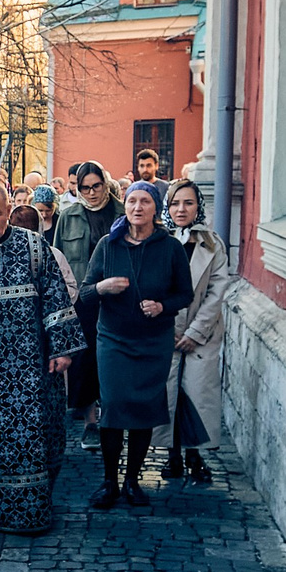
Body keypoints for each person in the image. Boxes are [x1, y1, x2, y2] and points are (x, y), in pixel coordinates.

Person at [0, 184, 83, 533]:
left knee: (36, 439)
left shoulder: (34, 247)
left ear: (9, 209)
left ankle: (32, 514)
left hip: (34, 367)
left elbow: (56, 297)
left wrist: (61, 348)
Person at [82, 178, 194, 511]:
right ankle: (109, 482)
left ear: (156, 208)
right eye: (132, 202)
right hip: (114, 339)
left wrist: (163, 306)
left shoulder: (170, 247)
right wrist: (102, 287)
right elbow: (85, 293)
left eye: (145, 202)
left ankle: (132, 481)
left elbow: (184, 294)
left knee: (144, 410)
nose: (137, 208)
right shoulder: (108, 244)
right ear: (125, 205)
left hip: (153, 341)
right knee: (114, 408)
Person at [155, 179, 229, 485]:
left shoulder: (212, 243)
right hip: (166, 333)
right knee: (168, 394)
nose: (181, 209)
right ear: (167, 207)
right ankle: (171, 454)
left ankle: (195, 455)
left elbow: (217, 290)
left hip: (202, 335)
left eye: (188, 203)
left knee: (197, 394)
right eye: (175, 203)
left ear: (198, 206)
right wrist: (167, 330)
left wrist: (196, 332)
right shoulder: (158, 241)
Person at [53, 163, 119, 448]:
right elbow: (56, 260)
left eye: (96, 186)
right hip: (82, 299)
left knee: (116, 358)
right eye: (85, 188)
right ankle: (92, 423)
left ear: (105, 183)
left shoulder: (122, 212)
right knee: (85, 360)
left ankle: (115, 418)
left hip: (118, 297)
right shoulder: (68, 217)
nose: (92, 193)